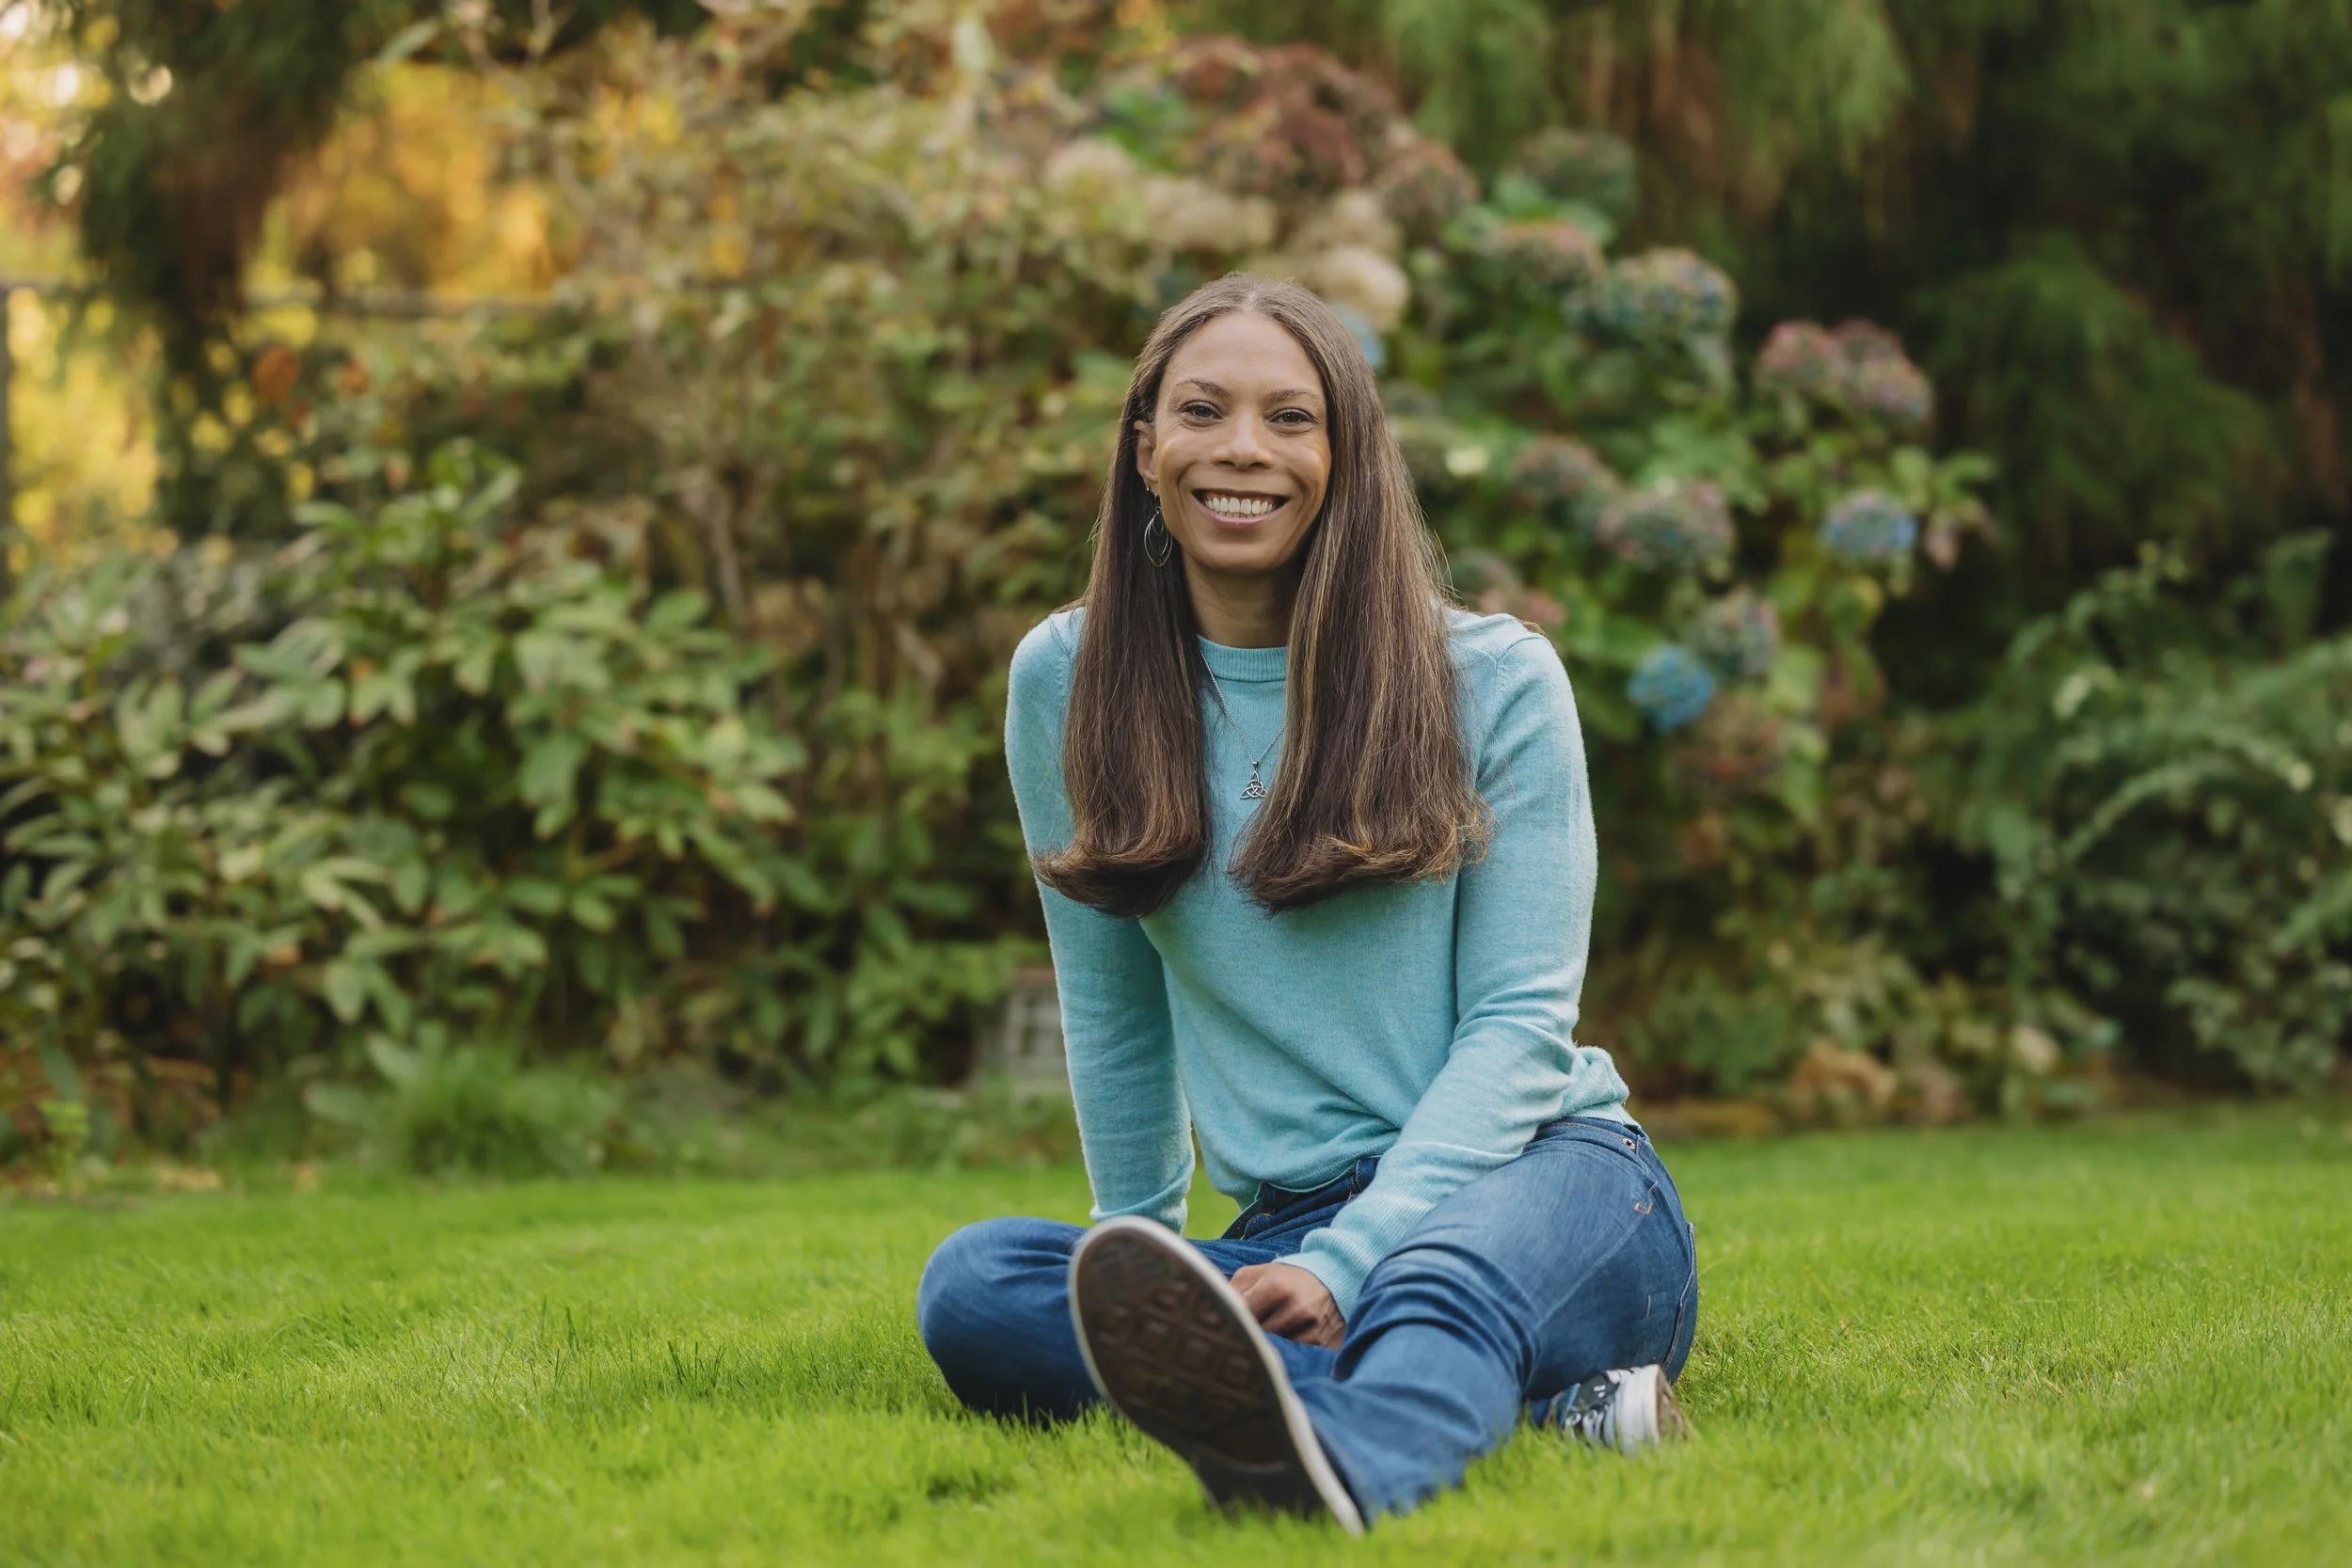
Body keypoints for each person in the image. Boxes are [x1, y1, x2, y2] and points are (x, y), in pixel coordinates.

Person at [915, 274, 1697, 1531]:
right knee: (982, 1284)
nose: (1242, 450)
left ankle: (1342, 1460)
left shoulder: (1492, 680)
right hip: (1291, 1216)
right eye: (1202, 411)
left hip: (1548, 1182)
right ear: (1145, 448)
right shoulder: (1068, 677)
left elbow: (1516, 1032)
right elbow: (1112, 1012)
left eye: (1290, 418)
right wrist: (1143, 1284)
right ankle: (1542, 1406)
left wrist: (1350, 1258)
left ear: (1346, 454)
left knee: (1437, 1281)